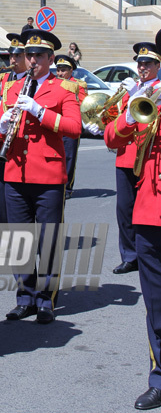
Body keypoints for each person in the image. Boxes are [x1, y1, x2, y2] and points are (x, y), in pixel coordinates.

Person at [0, 29, 82, 324]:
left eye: (39, 56)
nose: (32, 60)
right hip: (15, 171)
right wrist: (2, 126)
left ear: (50, 59)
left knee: (47, 240)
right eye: (28, 55)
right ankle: (25, 297)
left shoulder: (64, 89)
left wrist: (41, 112)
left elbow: (74, 127)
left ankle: (46, 299)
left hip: (47, 176)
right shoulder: (12, 88)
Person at [104, 31, 161, 410]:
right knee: (156, 304)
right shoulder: (149, 94)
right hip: (151, 210)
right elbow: (110, 137)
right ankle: (159, 377)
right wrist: (128, 112)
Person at [103, 42, 161, 275]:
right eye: (140, 62)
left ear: (158, 65)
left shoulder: (157, 89)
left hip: (148, 157)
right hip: (126, 156)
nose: (142, 66)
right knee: (124, 209)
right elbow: (116, 119)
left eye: (148, 63)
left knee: (147, 208)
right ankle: (130, 255)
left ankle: (147, 250)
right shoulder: (134, 87)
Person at [0, 33, 27, 223]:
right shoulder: (3, 77)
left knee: (15, 198)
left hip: (16, 142)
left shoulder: (30, 81)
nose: (13, 60)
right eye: (11, 55)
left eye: (18, 56)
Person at [54, 54, 87, 199]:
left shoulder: (78, 85)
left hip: (70, 125)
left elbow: (83, 104)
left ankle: (67, 187)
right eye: (58, 70)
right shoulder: (54, 83)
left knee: (69, 157)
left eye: (64, 70)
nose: (60, 73)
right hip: (55, 124)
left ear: (71, 70)